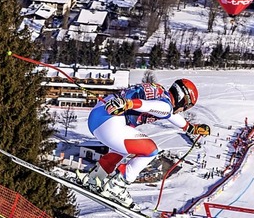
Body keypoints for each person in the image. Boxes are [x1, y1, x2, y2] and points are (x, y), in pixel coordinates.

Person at [76, 79, 210, 210]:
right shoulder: (166, 105)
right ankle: (117, 186)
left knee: (122, 149)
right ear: (183, 100)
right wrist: (129, 104)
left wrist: (190, 128)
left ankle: (94, 178)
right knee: (151, 150)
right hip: (108, 122)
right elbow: (153, 107)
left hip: (99, 116)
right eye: (186, 107)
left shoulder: (161, 92)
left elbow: (168, 113)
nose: (182, 110)